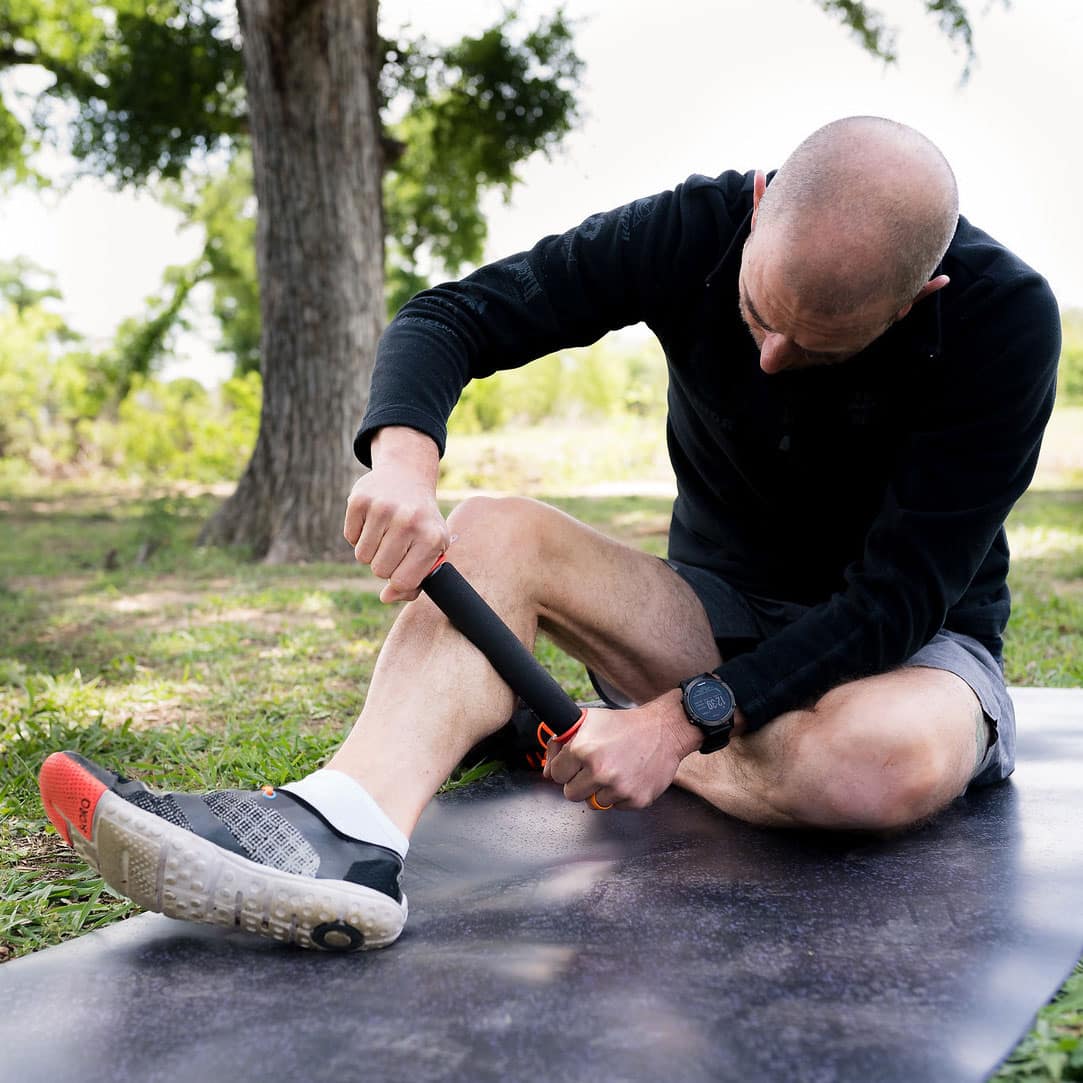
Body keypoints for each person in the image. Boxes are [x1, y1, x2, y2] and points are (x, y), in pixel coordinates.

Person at [39, 116, 1060, 953]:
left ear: (919, 298)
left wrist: (674, 725)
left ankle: (557, 726)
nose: (771, 360)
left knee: (868, 766)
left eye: (819, 348)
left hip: (908, 653)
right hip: (707, 617)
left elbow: (894, 603)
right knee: (497, 529)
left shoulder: (1005, 319)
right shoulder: (689, 229)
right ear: (757, 211)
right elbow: (451, 318)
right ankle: (345, 826)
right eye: (758, 315)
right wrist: (402, 465)